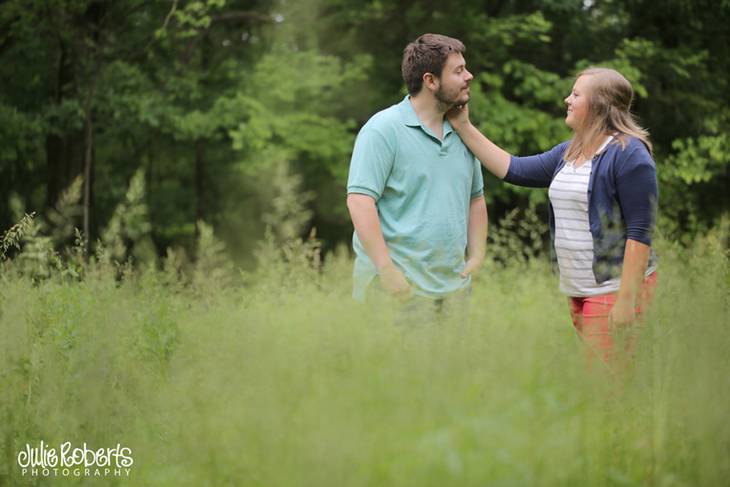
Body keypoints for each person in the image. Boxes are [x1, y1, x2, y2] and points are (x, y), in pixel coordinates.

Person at [448, 67, 658, 362]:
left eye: (575, 94)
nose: (566, 100)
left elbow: (640, 233)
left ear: (599, 105)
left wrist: (626, 300)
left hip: (612, 290)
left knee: (608, 387)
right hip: (579, 290)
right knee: (602, 381)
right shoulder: (570, 152)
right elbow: (515, 169)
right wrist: (463, 126)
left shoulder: (629, 154)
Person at [346, 33, 488, 320]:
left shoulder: (463, 133)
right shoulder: (382, 130)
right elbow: (360, 201)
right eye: (458, 71)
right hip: (395, 292)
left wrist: (477, 255)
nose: (469, 76)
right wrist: (386, 270)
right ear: (430, 81)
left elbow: (476, 198)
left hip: (454, 293)